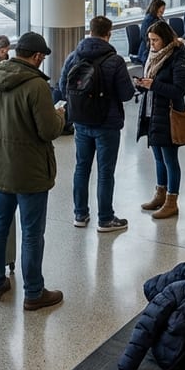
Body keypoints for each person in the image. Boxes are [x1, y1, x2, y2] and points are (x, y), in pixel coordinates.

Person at [0, 32, 66, 310]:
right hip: (30, 172)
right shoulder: (37, 87)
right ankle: (33, 292)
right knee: (31, 233)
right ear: (38, 57)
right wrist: (60, 115)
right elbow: (49, 130)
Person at [59, 16, 135, 233]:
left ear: (90, 31)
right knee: (105, 171)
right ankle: (105, 219)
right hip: (107, 124)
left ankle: (80, 215)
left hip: (81, 122)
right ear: (108, 33)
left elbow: (63, 86)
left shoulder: (74, 56)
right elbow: (126, 94)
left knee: (81, 168)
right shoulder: (115, 61)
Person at [136, 20, 185, 219]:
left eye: (155, 40)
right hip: (152, 112)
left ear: (165, 39)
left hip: (169, 115)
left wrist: (154, 85)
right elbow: (151, 83)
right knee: (158, 157)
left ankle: (172, 200)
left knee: (170, 159)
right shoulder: (152, 56)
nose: (152, 45)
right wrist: (142, 84)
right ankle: (160, 193)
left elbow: (179, 90)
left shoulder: (177, 56)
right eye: (150, 41)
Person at [135, 0, 166, 65]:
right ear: (156, 8)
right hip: (147, 51)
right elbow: (144, 37)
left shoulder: (159, 19)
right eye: (162, 9)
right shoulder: (149, 19)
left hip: (156, 48)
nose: (163, 12)